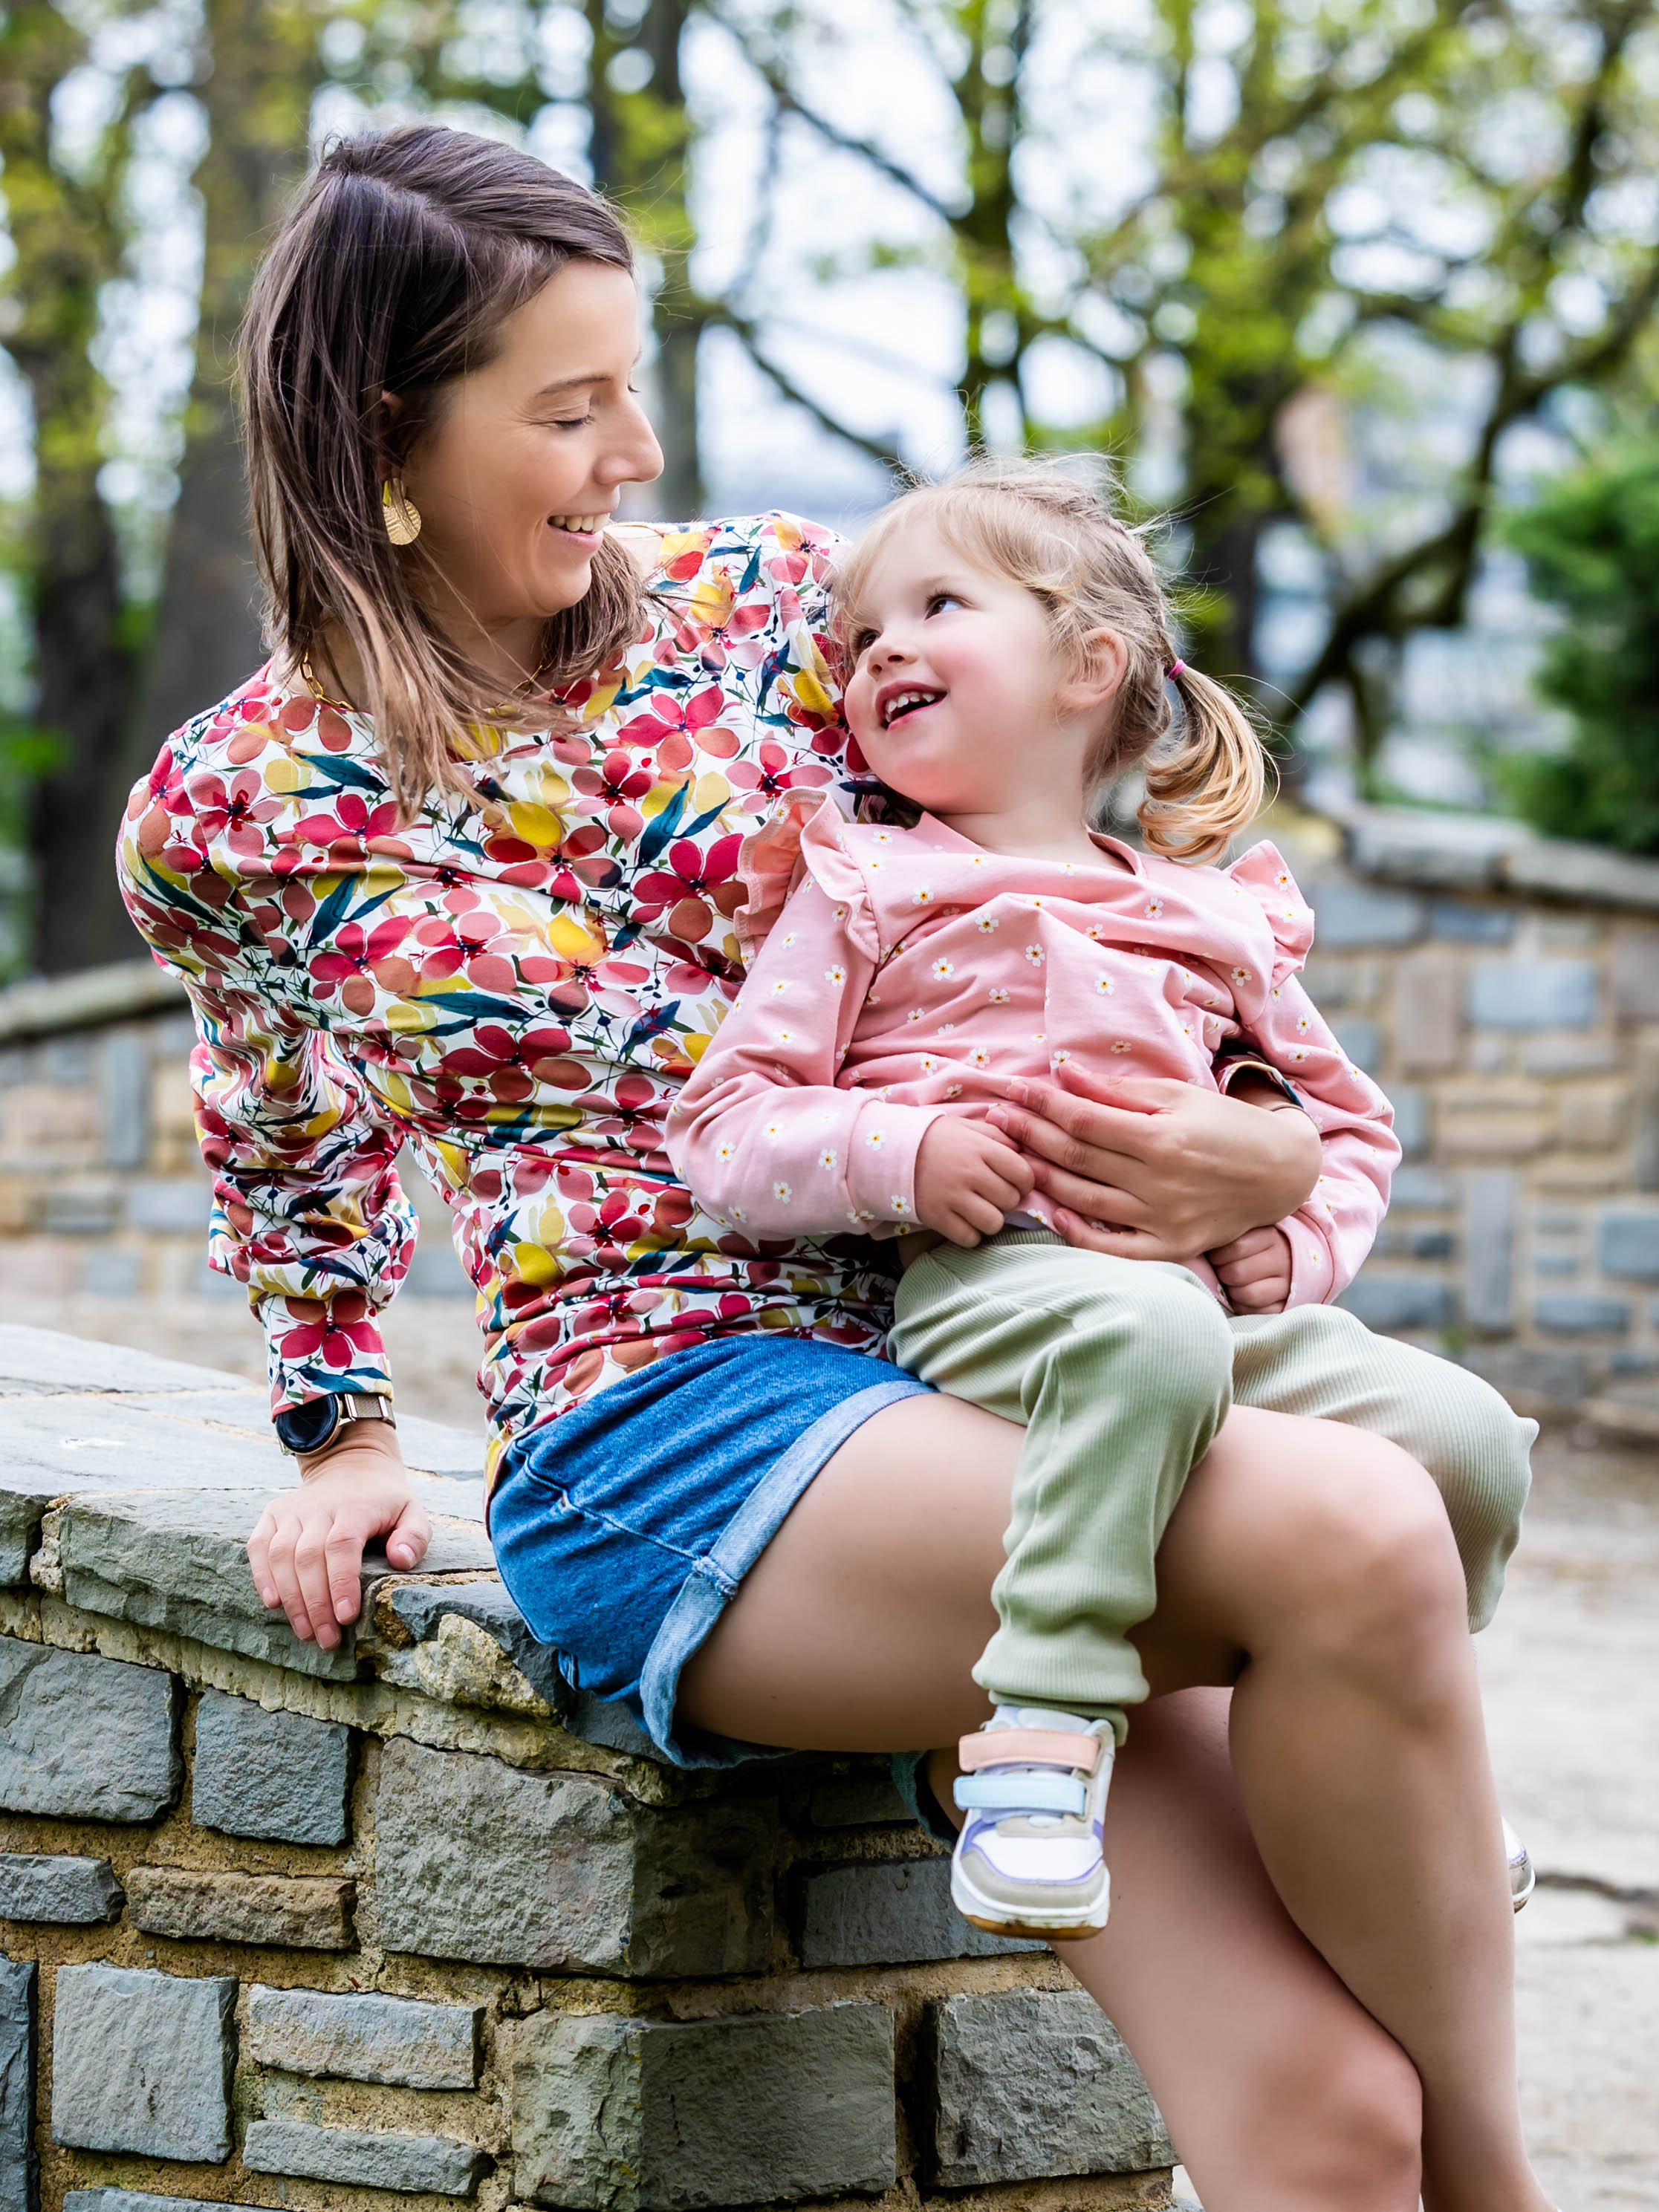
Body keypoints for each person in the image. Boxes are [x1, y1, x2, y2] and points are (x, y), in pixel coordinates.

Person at [115, 122, 1556, 2212]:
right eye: (571, 405)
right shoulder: (236, 808)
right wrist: (336, 1421)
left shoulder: (774, 610)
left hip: (995, 1356)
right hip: (678, 1435)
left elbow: (1096, 878)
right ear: (378, 430)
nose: (633, 451)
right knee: (1349, 1527)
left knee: (1331, 2127)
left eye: (637, 384)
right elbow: (272, 1119)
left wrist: (1248, 1144)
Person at [664, 457, 1536, 1943]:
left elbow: (1346, 1126)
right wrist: (902, 1153)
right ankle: (1038, 1743)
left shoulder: (1210, 907)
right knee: (1144, 1341)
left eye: (938, 605)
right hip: (999, 1289)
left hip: (1202, 1311)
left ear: (1088, 666)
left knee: (1463, 1439)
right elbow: (725, 1127)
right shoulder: (870, 886)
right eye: (864, 630)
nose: (881, 649)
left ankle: (1406, 1742)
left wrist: (1281, 1246)